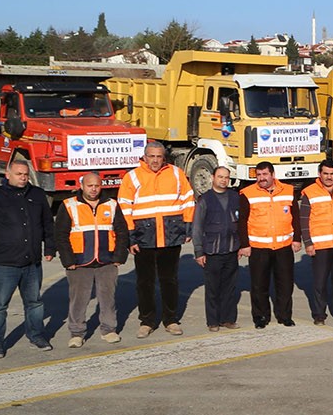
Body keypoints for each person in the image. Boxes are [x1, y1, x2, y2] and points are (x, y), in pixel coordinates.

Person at [0, 158, 56, 357]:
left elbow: (47, 223)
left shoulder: (36, 195)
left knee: (34, 303)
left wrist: (50, 248)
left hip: (32, 262)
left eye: (26, 174)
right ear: (8, 175)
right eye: (19, 174)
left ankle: (36, 335)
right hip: (4, 263)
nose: (23, 178)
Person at [118, 141, 195, 337]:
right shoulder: (132, 177)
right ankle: (147, 321)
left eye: (159, 156)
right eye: (151, 156)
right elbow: (124, 208)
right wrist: (130, 237)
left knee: (170, 280)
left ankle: (170, 320)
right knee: (145, 282)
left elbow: (188, 199)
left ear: (164, 157)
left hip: (170, 236)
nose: (155, 160)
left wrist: (187, 226)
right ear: (144, 157)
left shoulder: (176, 173)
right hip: (144, 237)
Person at [56, 170, 129, 346]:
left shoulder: (112, 204)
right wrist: (68, 260)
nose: (94, 189)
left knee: (107, 298)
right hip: (79, 262)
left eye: (97, 185)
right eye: (90, 185)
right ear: (82, 186)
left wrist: (119, 256)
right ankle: (77, 333)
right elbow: (60, 235)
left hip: (107, 260)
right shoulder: (68, 205)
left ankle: (109, 330)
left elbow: (122, 232)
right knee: (78, 299)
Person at [239, 162, 301, 329]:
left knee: (285, 284)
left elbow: (296, 215)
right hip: (259, 247)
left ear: (273, 175)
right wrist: (244, 244)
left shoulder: (288, 191)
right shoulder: (247, 194)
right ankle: (261, 317)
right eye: (258, 175)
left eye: (265, 174)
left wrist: (297, 239)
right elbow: (242, 221)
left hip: (283, 246)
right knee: (259, 285)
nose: (262, 178)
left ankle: (285, 316)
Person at [299, 159, 333, 325]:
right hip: (320, 246)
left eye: (332, 174)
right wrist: (308, 242)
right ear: (319, 174)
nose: (329, 177)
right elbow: (304, 220)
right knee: (320, 283)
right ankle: (319, 315)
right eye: (326, 174)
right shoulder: (309, 192)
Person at [192, 164, 243, 331]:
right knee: (213, 289)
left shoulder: (235, 197)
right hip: (212, 251)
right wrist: (199, 251)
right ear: (213, 178)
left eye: (226, 177)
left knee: (230, 288)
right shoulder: (205, 199)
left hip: (231, 250)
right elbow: (197, 227)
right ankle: (213, 321)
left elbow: (241, 224)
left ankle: (228, 319)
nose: (223, 180)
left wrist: (241, 246)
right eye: (220, 177)